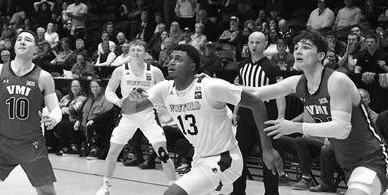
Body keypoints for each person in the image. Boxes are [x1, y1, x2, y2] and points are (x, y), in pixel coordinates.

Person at [121, 45, 284, 195]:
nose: (171, 62)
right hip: (199, 158)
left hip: (224, 159)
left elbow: (256, 102)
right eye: (171, 58)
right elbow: (129, 110)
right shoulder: (164, 89)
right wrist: (130, 98)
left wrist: (267, 149)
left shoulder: (210, 86)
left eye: (178, 59)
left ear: (192, 66)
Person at [250, 30, 388, 195]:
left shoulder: (337, 80)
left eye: (306, 47)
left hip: (371, 158)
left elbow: (342, 129)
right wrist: (215, 85)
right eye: (296, 48)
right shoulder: (297, 83)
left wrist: (295, 127)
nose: (298, 51)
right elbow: (255, 93)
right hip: (347, 163)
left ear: (321, 55)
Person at [0, 30, 59, 194]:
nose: (22, 42)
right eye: (20, 39)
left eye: (28, 40)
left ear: (35, 49)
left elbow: (56, 109)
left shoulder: (44, 77)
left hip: (32, 145)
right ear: (15, 46)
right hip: (3, 144)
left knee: (47, 193)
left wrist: (53, 118)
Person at [96, 41, 175, 195]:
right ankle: (105, 186)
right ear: (129, 52)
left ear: (146, 54)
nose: (136, 52)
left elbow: (166, 92)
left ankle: (174, 187)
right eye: (133, 50)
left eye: (139, 50)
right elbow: (109, 91)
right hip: (128, 116)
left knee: (163, 153)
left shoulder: (155, 72)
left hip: (148, 116)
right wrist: (117, 101)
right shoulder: (120, 70)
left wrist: (161, 106)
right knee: (113, 152)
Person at [231, 32, 285, 195]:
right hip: (246, 118)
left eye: (258, 42)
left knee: (269, 157)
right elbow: (238, 92)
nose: (254, 46)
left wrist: (281, 117)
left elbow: (280, 93)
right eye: (251, 42)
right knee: (238, 156)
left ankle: (271, 193)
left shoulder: (272, 67)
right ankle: (238, 191)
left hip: (266, 118)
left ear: (265, 45)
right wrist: (235, 112)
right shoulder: (242, 65)